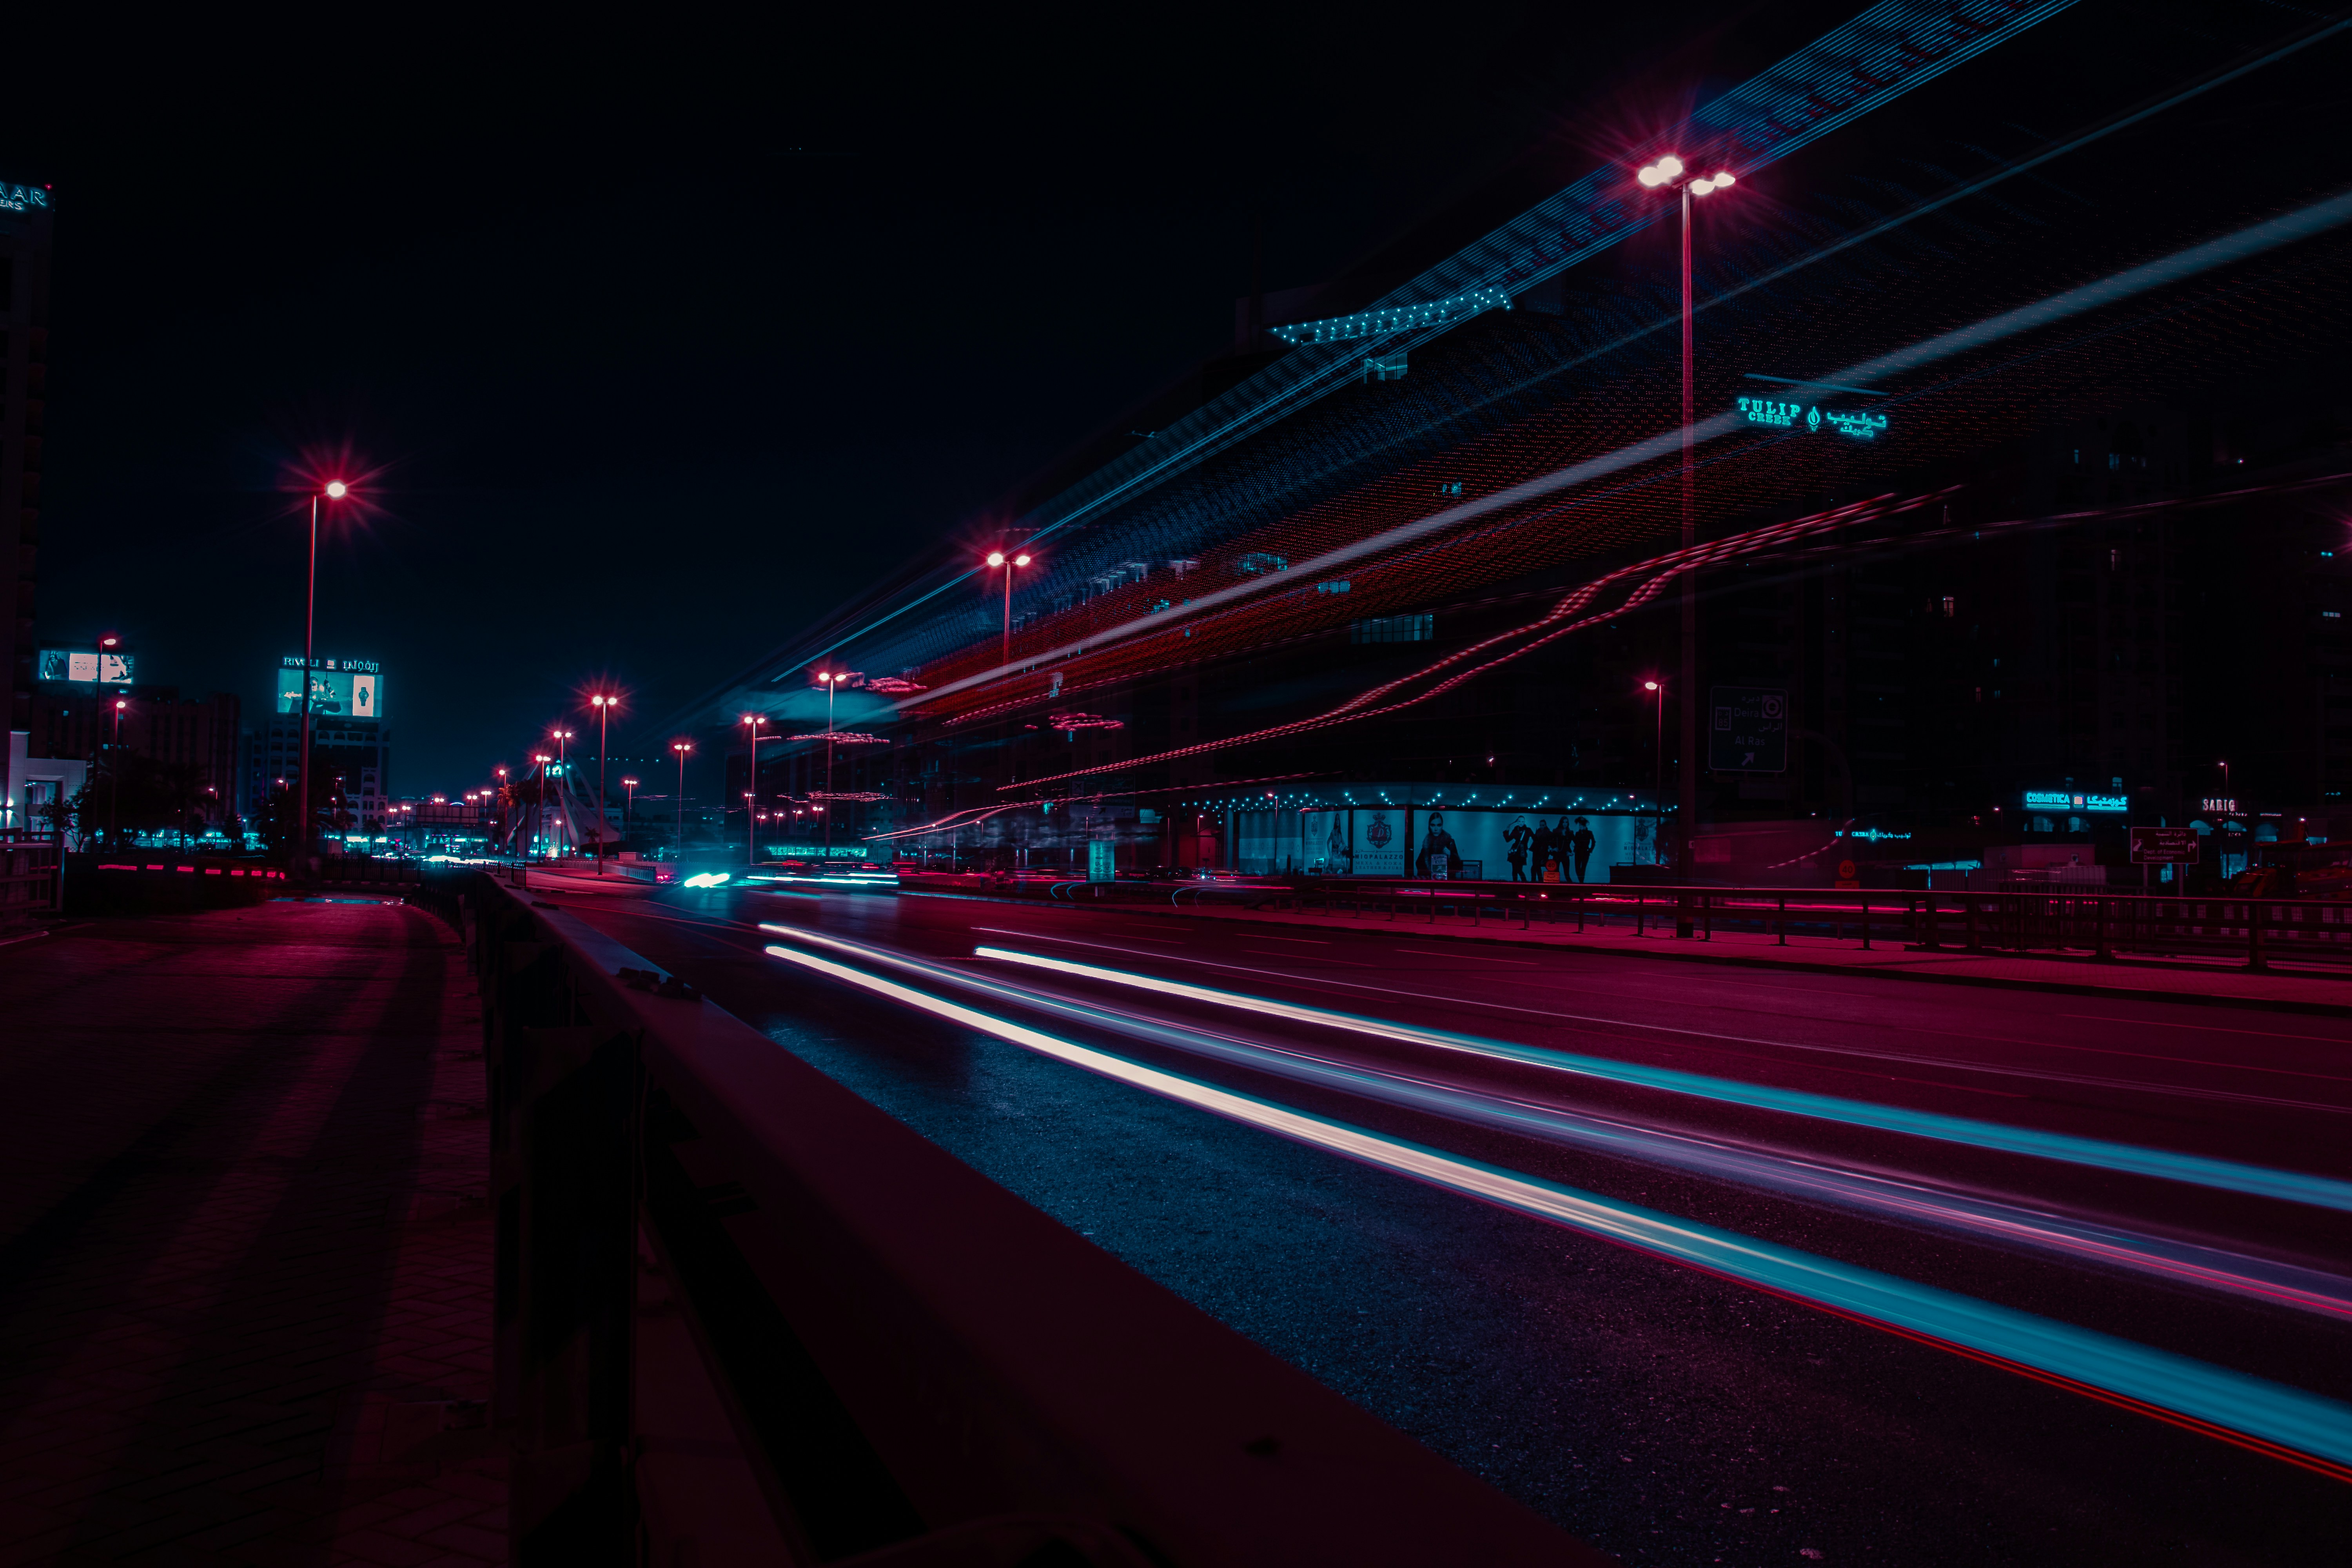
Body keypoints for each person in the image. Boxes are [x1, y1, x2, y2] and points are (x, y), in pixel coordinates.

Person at [1416, 811, 1462, 879]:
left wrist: (1451, 856)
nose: (1436, 829)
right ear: (1429, 826)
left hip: (1447, 881)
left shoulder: (1449, 841)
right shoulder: (1427, 843)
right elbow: (1419, 863)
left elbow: (1458, 867)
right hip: (1430, 881)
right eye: (1433, 825)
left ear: (1442, 826)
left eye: (1439, 825)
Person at [1504, 815, 1533, 881]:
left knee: (1519, 870)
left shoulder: (1528, 830)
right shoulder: (1516, 829)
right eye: (1519, 821)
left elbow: (1535, 839)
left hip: (1522, 851)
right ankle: (1515, 885)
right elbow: (1508, 840)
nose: (1521, 823)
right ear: (1517, 822)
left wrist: (1531, 848)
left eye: (1523, 822)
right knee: (1514, 870)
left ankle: (1525, 884)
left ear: (1525, 822)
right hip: (1515, 850)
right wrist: (1507, 830)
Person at [1570, 816, 1597, 884]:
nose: (1580, 827)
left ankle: (1581, 883)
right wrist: (1574, 850)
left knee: (1583, 869)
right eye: (1579, 825)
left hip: (1585, 852)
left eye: (1581, 825)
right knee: (1578, 869)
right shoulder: (1578, 833)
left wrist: (1590, 850)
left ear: (1584, 826)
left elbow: (1594, 842)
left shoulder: (1589, 833)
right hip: (1578, 852)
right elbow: (1576, 843)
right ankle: (1581, 883)